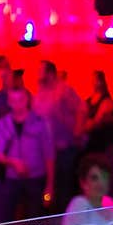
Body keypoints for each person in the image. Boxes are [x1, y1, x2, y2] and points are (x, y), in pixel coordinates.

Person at [0, 87, 55, 223]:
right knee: (6, 219)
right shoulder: (4, 123)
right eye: (13, 100)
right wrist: (13, 162)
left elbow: (49, 155)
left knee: (35, 220)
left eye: (20, 100)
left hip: (36, 178)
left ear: (27, 100)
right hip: (12, 178)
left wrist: (50, 185)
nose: (17, 104)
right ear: (9, 102)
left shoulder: (39, 122)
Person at [33, 61, 83, 214]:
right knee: (47, 187)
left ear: (50, 73)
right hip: (45, 151)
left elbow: (81, 109)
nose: (37, 75)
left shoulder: (63, 90)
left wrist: (77, 133)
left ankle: (64, 223)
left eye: (40, 71)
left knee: (63, 188)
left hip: (63, 148)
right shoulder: (40, 92)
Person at [62, 154, 113, 225]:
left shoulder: (112, 214)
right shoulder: (79, 204)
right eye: (94, 178)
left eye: (104, 177)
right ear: (83, 183)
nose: (101, 182)